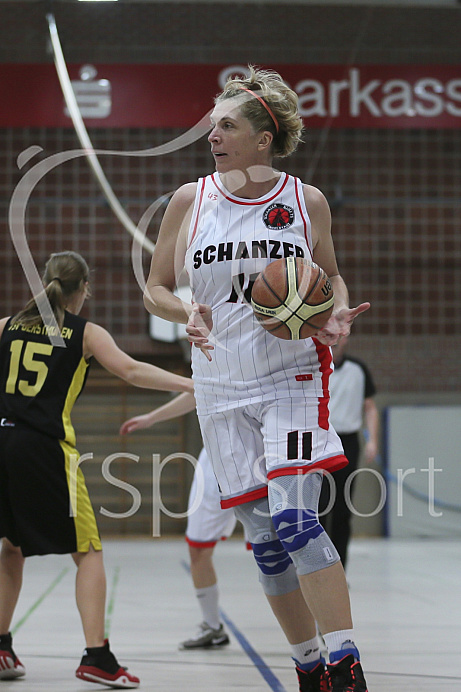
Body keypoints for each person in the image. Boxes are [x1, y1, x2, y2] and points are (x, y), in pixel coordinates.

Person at [144, 66, 370, 692]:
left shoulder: (305, 202)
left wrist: (334, 316)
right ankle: (307, 668)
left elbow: (329, 277)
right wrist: (183, 309)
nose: (211, 134)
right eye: (210, 124)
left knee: (297, 522)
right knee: (267, 542)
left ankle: (346, 663)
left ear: (263, 138)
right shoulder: (190, 201)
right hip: (219, 388)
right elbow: (155, 288)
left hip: (290, 379)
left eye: (225, 125)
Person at [0, 251, 194, 688]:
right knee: (88, 551)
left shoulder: (7, 327)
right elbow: (130, 369)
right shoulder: (83, 332)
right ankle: (97, 657)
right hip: (44, 448)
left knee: (11, 546)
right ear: (81, 289)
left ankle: (0, 645)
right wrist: (189, 382)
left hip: (2, 441)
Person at [120, 391, 235, 650]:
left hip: (260, 455)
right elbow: (197, 389)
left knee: (284, 549)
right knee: (197, 548)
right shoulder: (211, 354)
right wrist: (152, 417)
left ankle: (318, 628)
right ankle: (212, 627)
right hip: (215, 459)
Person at [319, 336, 379, 570]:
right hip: (321, 441)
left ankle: (339, 568)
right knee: (320, 507)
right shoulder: (316, 365)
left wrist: (372, 440)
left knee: (343, 509)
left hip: (347, 442)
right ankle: (319, 567)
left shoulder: (358, 369)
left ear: (345, 341)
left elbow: (370, 407)